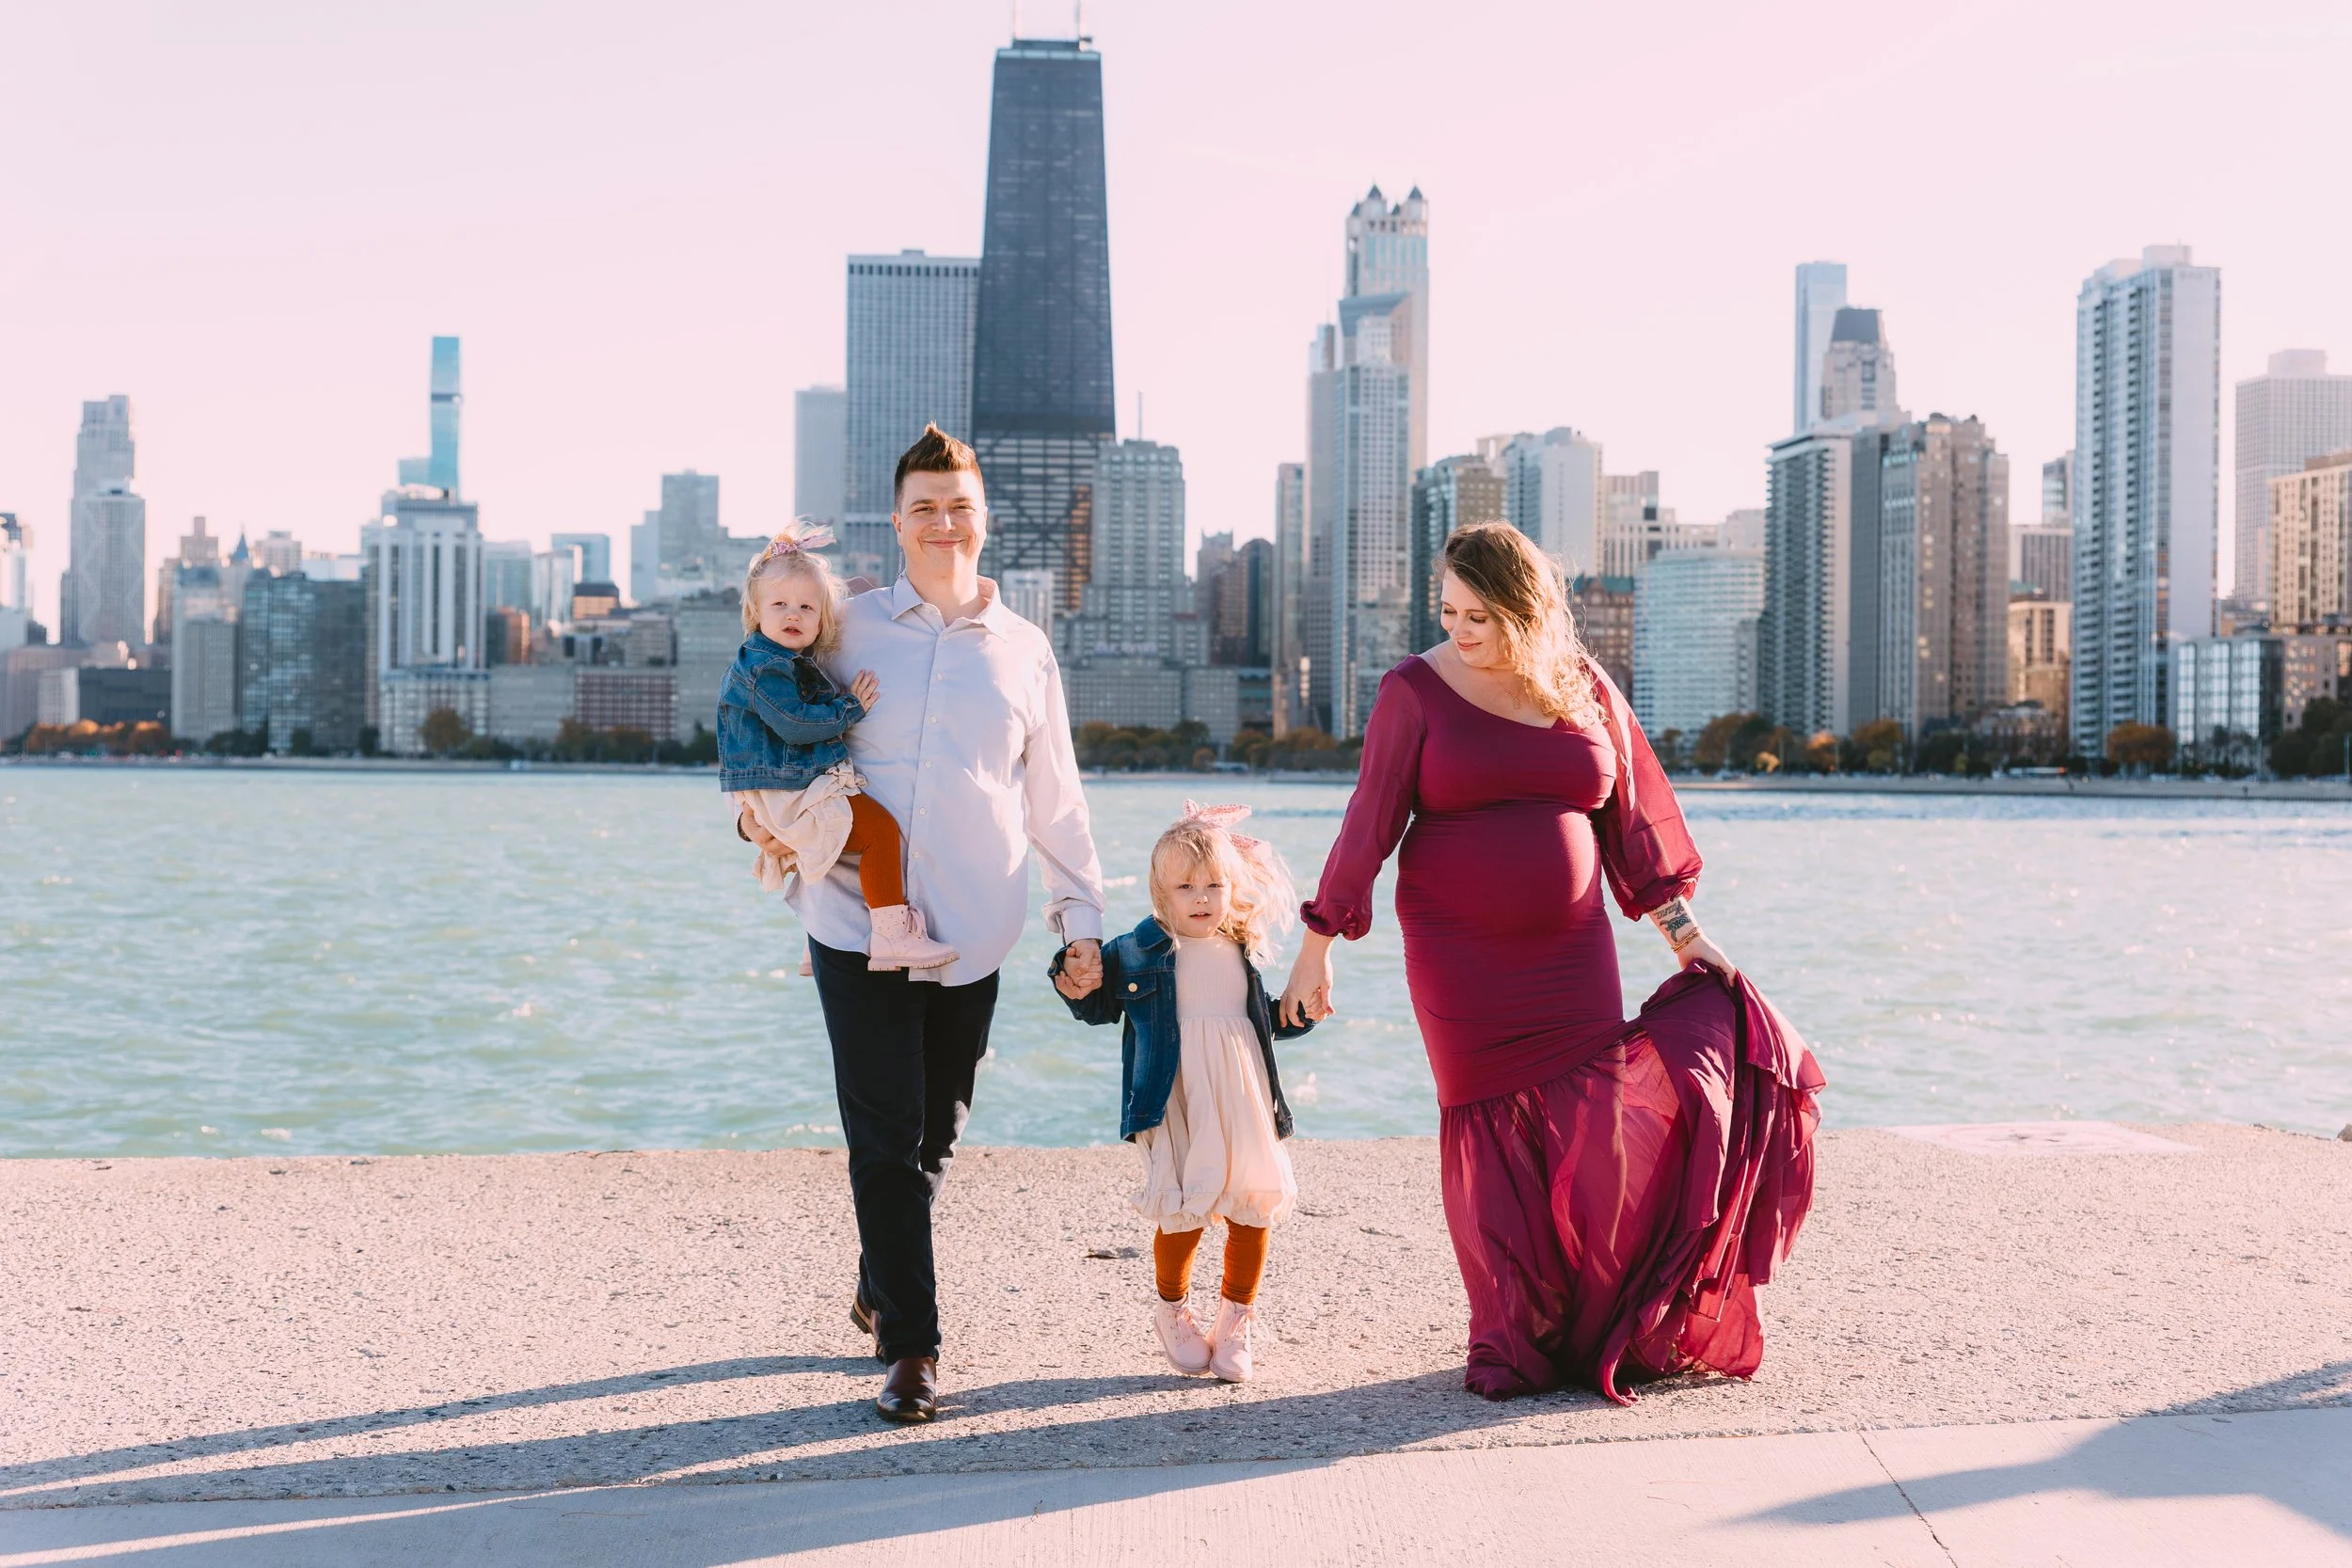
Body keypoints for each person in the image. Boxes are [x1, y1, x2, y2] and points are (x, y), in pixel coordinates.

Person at [1279, 522, 1823, 1404]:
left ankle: (1603, 1317)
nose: (1459, 630)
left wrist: (1687, 935)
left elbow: (1635, 827)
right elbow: (1367, 826)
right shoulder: (1413, 691)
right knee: (1488, 1132)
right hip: (1459, 952)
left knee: (1599, 1126)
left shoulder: (1583, 688)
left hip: (1572, 947)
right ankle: (1509, 1334)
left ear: (1525, 609)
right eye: (1448, 611)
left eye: (1479, 615)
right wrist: (1316, 951)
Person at [739, 424, 1106, 1424]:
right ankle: (912, 1344)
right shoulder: (844, 628)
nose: (944, 522)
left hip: (976, 921)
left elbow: (1057, 799)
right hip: (853, 914)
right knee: (883, 1133)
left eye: (960, 505)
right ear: (897, 522)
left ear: (984, 520)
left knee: (936, 1130)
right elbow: (759, 708)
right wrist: (754, 812)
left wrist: (1082, 921)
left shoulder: (1027, 651)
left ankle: (878, 1276)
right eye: (925, 506)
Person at [1052, 802, 1312, 1383]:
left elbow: (1256, 1023)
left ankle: (1236, 1319)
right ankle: (1172, 1312)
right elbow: (1094, 1005)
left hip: (1242, 1096)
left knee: (1252, 1206)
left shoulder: (1240, 948)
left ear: (1233, 887)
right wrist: (1072, 968)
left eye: (1214, 885)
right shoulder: (1138, 949)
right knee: (1183, 1211)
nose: (1201, 897)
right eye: (1186, 886)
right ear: (1159, 892)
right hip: (1174, 1098)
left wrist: (1297, 1015)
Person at [719, 521, 956, 971]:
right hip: (790, 788)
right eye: (780, 604)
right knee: (878, 834)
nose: (794, 614)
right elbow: (794, 725)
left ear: (823, 617)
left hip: (784, 786)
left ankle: (819, 941)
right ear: (756, 611)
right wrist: (850, 708)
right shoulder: (767, 667)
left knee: (825, 850)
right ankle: (892, 938)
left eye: (807, 606)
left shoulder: (782, 660)